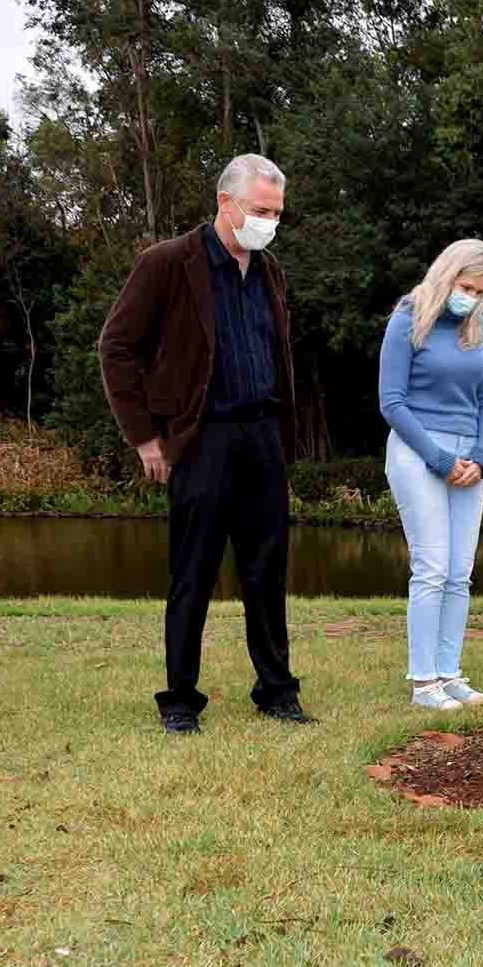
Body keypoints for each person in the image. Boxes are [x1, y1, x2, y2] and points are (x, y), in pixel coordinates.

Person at [98, 153, 313, 734]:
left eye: (276, 213)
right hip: (200, 440)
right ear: (226, 203)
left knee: (267, 570)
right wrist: (144, 436)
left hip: (262, 435)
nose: (269, 222)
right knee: (192, 571)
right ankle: (179, 700)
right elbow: (117, 348)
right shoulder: (167, 265)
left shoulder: (270, 271)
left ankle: (276, 690)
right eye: (261, 210)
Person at [379, 239, 483, 711]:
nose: (468, 295)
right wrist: (438, 458)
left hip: (468, 457)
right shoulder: (408, 319)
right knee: (431, 568)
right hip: (417, 451)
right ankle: (423, 682)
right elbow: (392, 401)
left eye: (478, 289)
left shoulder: (482, 329)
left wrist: (481, 456)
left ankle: (450, 673)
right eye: (464, 285)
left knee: (460, 571)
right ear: (445, 275)